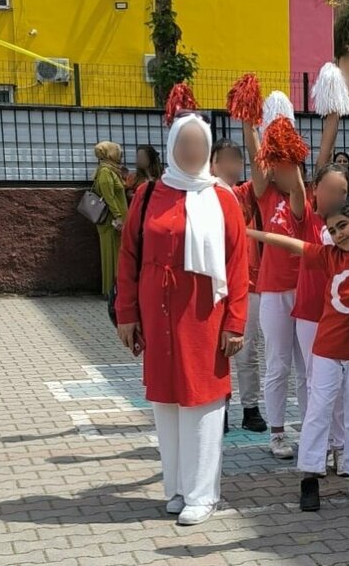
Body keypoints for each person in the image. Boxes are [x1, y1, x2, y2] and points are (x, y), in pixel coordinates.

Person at [114, 112, 249, 526]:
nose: (190, 151)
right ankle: (176, 488)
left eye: (198, 145)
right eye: (183, 144)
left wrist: (235, 322)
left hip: (204, 314)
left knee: (202, 403)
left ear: (207, 151)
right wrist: (126, 313)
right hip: (158, 314)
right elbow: (129, 255)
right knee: (166, 402)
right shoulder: (150, 193)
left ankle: (202, 493)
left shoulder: (223, 197)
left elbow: (239, 261)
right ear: (172, 146)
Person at [248, 174, 349, 512]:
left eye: (343, 226)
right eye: (333, 230)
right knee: (318, 411)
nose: (338, 234)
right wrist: (245, 233)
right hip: (327, 350)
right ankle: (310, 476)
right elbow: (287, 242)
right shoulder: (329, 257)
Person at [243, 120, 311, 459]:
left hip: (306, 291)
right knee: (278, 363)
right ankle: (278, 433)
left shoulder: (306, 196)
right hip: (273, 291)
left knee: (307, 367)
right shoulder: (266, 196)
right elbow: (258, 161)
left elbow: (296, 186)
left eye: (289, 166)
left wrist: (289, 157)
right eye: (277, 166)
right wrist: (248, 119)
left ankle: (313, 431)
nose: (280, 172)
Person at [292, 116, 349, 473]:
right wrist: (330, 120)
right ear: (315, 190)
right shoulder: (307, 219)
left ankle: (342, 446)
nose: (334, 196)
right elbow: (305, 174)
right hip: (310, 313)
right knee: (317, 385)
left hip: (340, 317)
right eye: (328, 189)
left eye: (341, 192)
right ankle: (319, 447)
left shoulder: (348, 224)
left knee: (341, 386)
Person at [211, 138, 267, 433]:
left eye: (238, 159)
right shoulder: (201, 196)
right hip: (213, 285)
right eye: (226, 159)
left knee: (247, 350)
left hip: (248, 283)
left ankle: (250, 408)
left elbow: (261, 174)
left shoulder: (245, 194)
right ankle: (219, 408)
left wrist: (250, 126)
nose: (233, 165)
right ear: (212, 164)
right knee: (215, 351)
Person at [92, 141, 128, 297]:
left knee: (117, 256)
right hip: (111, 223)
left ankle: (116, 290)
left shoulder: (112, 170)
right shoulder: (106, 172)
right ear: (110, 153)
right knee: (111, 257)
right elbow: (109, 197)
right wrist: (118, 217)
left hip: (116, 222)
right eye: (118, 151)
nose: (120, 154)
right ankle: (110, 292)